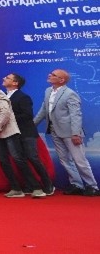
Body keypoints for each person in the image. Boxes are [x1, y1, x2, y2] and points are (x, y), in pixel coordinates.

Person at [33, 68, 98, 196]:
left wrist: (75, 134)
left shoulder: (70, 94)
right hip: (54, 131)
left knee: (80, 161)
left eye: (53, 75)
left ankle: (92, 186)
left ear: (61, 80)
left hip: (70, 133)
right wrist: (32, 125)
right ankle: (77, 185)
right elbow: (44, 110)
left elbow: (76, 115)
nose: (49, 75)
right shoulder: (48, 91)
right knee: (65, 160)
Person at [4, 73, 53, 197]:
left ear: (15, 83)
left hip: (26, 133)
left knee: (33, 158)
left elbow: (27, 115)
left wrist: (8, 118)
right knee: (19, 159)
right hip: (12, 133)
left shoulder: (23, 97)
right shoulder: (4, 96)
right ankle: (32, 184)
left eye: (8, 78)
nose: (4, 78)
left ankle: (48, 184)